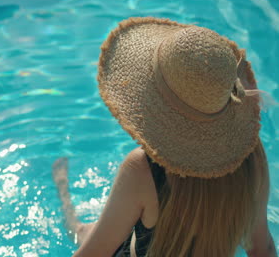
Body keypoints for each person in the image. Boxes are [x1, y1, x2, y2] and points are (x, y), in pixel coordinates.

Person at [52, 17, 277, 257]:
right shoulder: (251, 156)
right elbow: (262, 248)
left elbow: (92, 254)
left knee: (82, 230)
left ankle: (62, 188)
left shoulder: (142, 169)